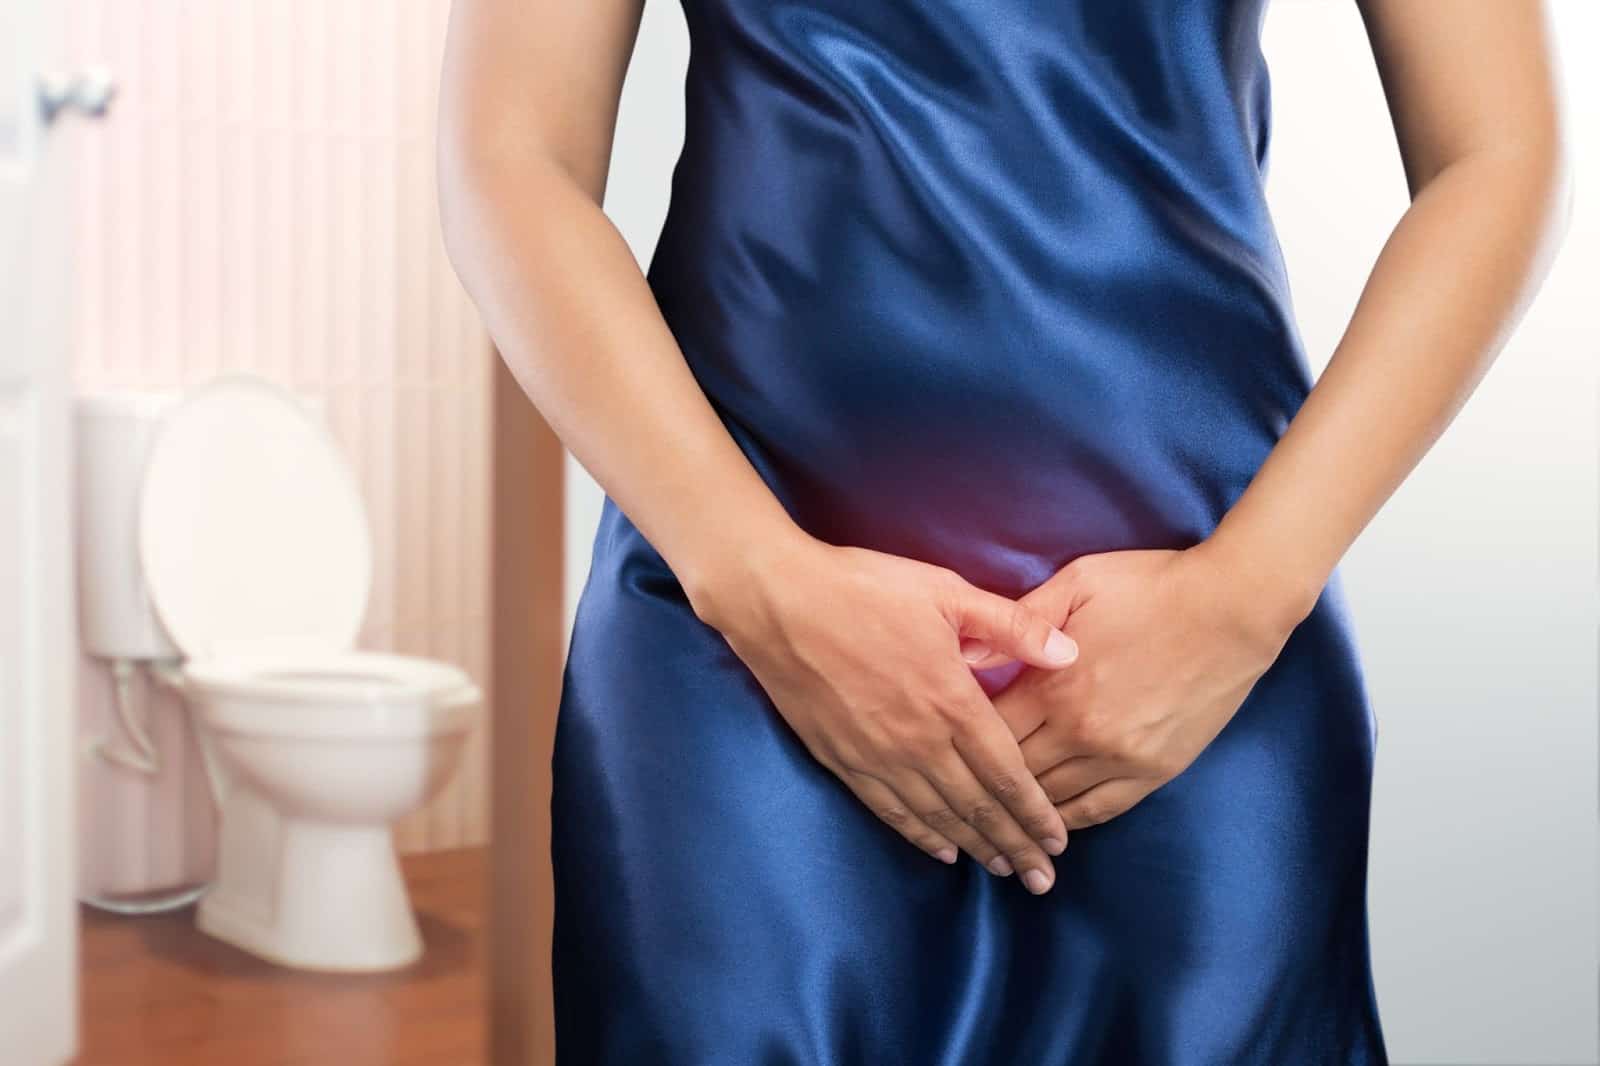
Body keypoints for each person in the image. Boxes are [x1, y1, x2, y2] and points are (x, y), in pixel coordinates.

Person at [437, 0, 1571, 1061]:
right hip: (739, 632)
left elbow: (1498, 152)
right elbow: (511, 155)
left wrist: (1242, 597)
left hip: (1195, 644)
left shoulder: (1221, 622)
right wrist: (755, 576)